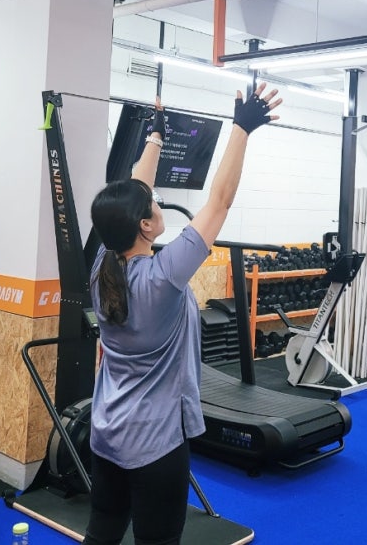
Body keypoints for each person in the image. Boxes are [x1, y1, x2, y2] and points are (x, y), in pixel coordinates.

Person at [82, 82, 282, 545]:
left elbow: (137, 187)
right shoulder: (164, 277)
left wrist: (155, 135)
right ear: (146, 226)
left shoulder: (102, 265)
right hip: (154, 445)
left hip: (107, 432)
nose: (156, 200)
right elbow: (220, 201)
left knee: (103, 533)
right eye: (152, 204)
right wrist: (241, 129)